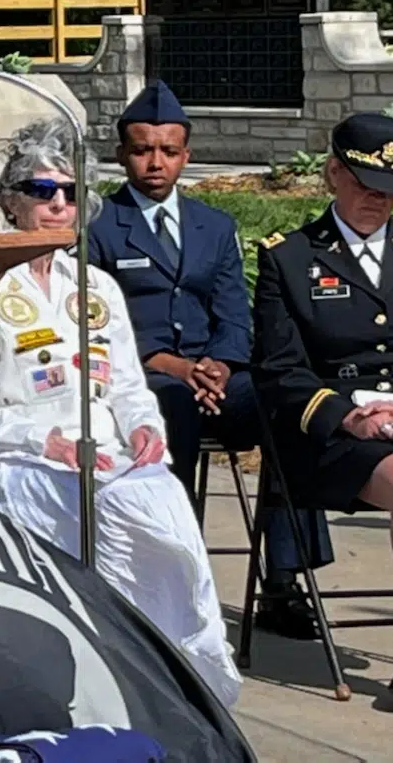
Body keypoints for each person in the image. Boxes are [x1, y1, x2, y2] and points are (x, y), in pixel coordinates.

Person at [0, 118, 241, 709]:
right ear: (11, 201)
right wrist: (45, 442)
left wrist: (146, 429)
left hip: (112, 460)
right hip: (27, 465)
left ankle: (168, 682)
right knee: (97, 521)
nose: (58, 205)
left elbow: (128, 386)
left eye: (72, 192)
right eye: (42, 191)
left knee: (165, 523)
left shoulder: (98, 286)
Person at [89, 80, 333, 638]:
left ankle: (284, 583)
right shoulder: (99, 225)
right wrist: (173, 366)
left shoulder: (214, 226)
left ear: (186, 156)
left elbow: (233, 314)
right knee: (168, 405)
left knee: (290, 408)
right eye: (142, 150)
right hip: (145, 379)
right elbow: (100, 323)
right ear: (122, 154)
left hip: (216, 376)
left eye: (169, 151)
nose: (156, 163)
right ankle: (169, 574)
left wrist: (220, 366)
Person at [252, 110, 393, 696]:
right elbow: (280, 371)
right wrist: (348, 417)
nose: (380, 202)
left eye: (392, 192)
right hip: (339, 436)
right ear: (333, 174)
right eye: (368, 186)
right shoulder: (289, 258)